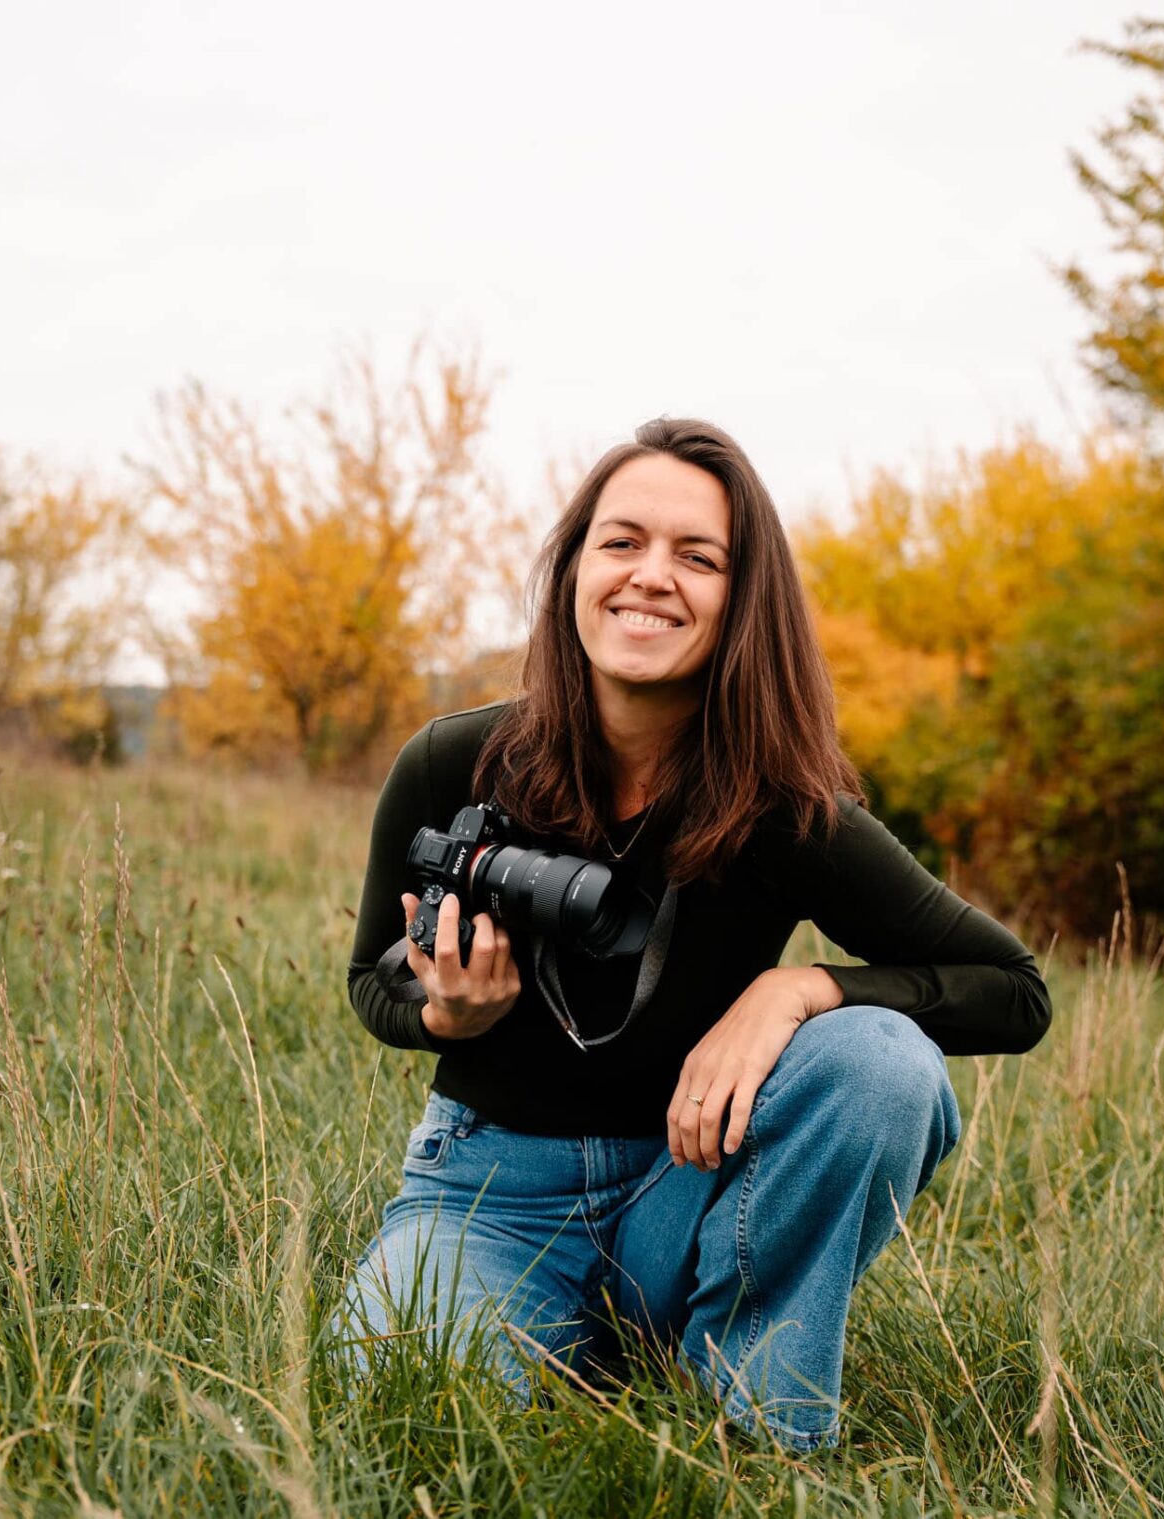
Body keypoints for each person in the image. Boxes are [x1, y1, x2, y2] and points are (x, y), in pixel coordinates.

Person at [339, 417, 1051, 1451]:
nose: (649, 577)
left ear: (741, 599)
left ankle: (754, 1423)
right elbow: (371, 979)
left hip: (690, 1186)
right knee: (402, 1413)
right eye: (621, 542)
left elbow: (1014, 990)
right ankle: (604, 1348)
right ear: (574, 568)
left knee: (880, 1060)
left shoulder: (785, 811)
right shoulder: (455, 760)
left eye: (697, 556)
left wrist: (801, 989)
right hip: (490, 1194)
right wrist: (442, 1011)